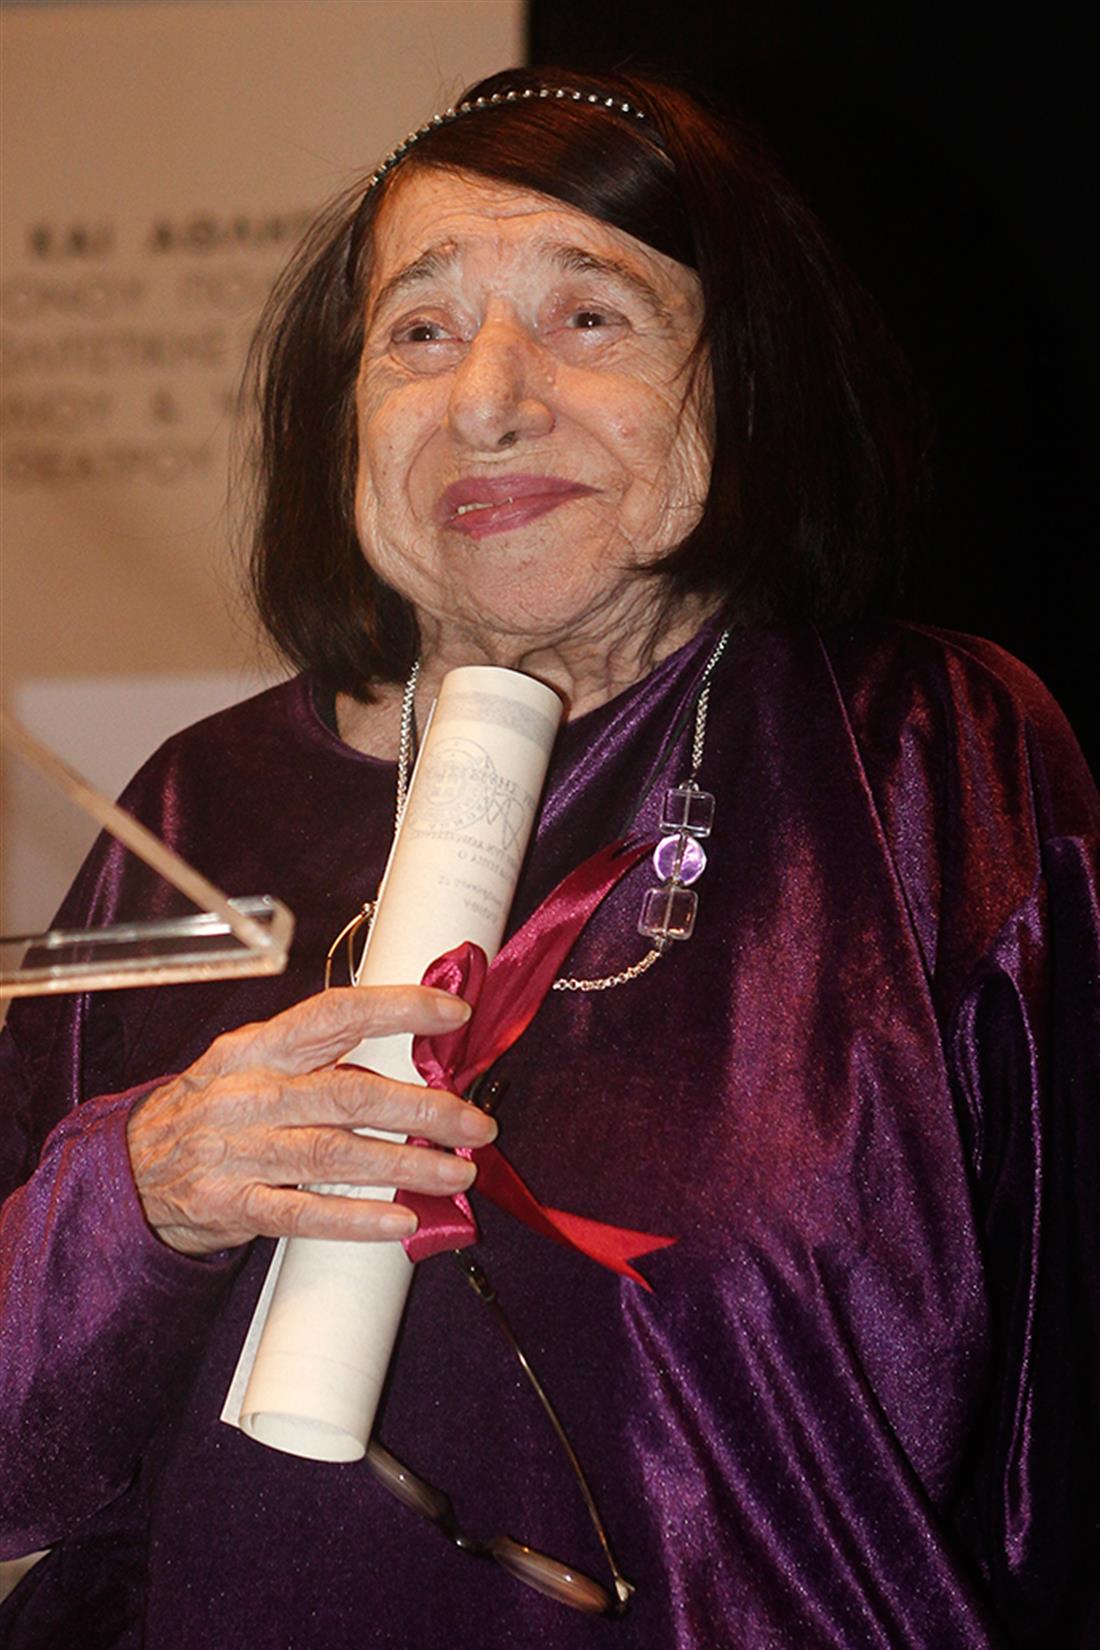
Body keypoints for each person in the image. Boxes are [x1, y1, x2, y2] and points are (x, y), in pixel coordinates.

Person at [1, 65, 1097, 1650]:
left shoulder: (930, 756)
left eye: (591, 315)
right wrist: (144, 1191)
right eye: (419, 331)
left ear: (744, 376)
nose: (490, 399)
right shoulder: (202, 810)